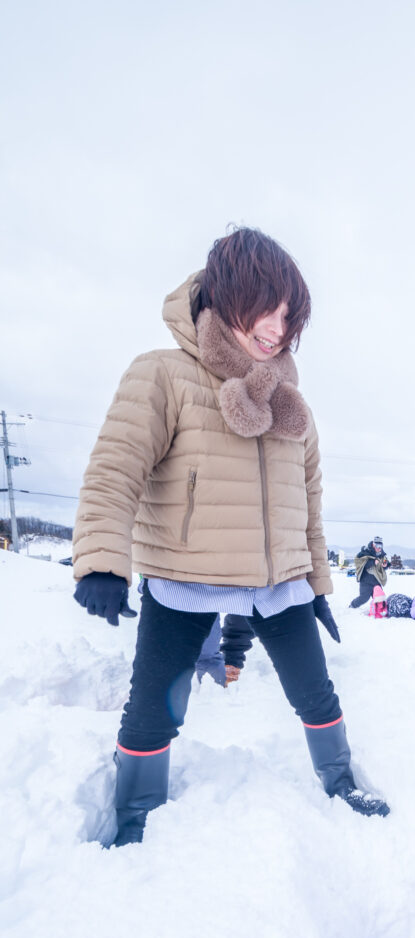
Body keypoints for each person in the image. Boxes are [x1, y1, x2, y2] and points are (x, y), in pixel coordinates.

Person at [72, 227, 389, 846]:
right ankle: (135, 816)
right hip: (184, 576)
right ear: (225, 295)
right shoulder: (163, 375)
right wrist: (103, 559)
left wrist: (318, 586)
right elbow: (115, 468)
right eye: (265, 308)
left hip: (279, 585)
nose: (276, 327)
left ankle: (340, 780)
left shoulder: (293, 407)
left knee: (316, 694)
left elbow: (309, 507)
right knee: (155, 707)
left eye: (289, 316)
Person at [349, 537, 389, 607]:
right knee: (364, 598)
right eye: (377, 546)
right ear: (373, 545)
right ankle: (352, 605)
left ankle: (379, 610)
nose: (379, 548)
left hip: (376, 581)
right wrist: (373, 562)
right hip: (365, 581)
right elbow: (360, 563)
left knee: (379, 598)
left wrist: (385, 565)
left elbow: (385, 563)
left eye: (381, 546)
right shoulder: (365, 552)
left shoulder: (381, 554)